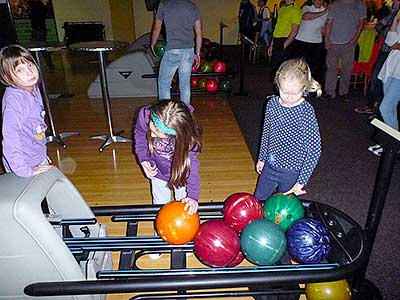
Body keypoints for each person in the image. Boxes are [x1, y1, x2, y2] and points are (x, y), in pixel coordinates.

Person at [254, 59, 322, 201]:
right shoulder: (272, 103)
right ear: (277, 84)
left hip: (292, 172)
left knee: (284, 208)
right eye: (284, 92)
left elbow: (314, 149)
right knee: (258, 200)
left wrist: (301, 181)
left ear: (304, 88)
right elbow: (266, 132)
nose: (288, 98)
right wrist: (261, 158)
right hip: (270, 165)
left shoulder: (306, 112)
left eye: (294, 93)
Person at [134, 100, 202, 215]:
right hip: (157, 170)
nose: (151, 135)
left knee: (183, 207)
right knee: (160, 208)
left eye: (157, 134)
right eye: (152, 129)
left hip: (180, 173)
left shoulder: (189, 140)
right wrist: (143, 159)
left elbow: (192, 170)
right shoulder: (146, 115)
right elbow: (140, 135)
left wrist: (193, 197)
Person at [0, 45, 52, 177]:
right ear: (7, 76)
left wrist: (41, 155)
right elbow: (10, 136)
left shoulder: (32, 87)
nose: (29, 72)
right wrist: (24, 170)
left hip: (36, 153)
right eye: (20, 70)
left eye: (30, 65)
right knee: (34, 196)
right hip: (23, 163)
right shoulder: (16, 99)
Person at [150, 0, 202, 106]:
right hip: (188, 51)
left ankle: (165, 113)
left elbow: (157, 28)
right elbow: (199, 33)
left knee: (164, 83)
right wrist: (197, 53)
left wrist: (152, 44)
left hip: (172, 51)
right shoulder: (192, 6)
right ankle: (185, 113)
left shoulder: (164, 5)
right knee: (185, 84)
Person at [355, 0, 400, 114]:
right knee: (376, 78)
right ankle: (374, 107)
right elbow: (379, 27)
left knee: (383, 82)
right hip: (386, 51)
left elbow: (384, 30)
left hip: (391, 54)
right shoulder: (392, 13)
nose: (394, 2)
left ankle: (379, 108)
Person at [322, 0, 366, 102]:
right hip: (333, 41)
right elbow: (329, 23)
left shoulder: (360, 4)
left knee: (347, 69)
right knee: (331, 67)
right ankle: (329, 92)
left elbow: (361, 23)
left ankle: (344, 92)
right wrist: (327, 39)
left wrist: (355, 38)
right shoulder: (335, 4)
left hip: (349, 42)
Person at [290, 0, 329, 82]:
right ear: (313, 0)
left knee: (315, 68)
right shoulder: (307, 8)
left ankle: (313, 89)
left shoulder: (325, 10)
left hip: (316, 42)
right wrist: (325, 12)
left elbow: (325, 26)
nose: (319, 1)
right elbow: (306, 17)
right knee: (299, 66)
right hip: (301, 41)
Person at [377, 10, 400, 130]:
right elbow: (390, 42)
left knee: (385, 108)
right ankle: (391, 142)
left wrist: (396, 45)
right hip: (392, 67)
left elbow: (394, 45)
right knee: (390, 108)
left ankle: (395, 142)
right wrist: (396, 19)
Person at [267, 0, 302, 75]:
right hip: (277, 40)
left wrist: (283, 46)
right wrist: (272, 45)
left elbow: (294, 32)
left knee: (284, 72)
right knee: (275, 70)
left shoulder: (296, 10)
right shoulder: (282, 8)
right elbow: (277, 28)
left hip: (286, 41)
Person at [29, 0, 54, 70]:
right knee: (41, 48)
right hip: (40, 29)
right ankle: (49, 65)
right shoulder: (41, 6)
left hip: (38, 29)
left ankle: (38, 65)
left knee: (37, 47)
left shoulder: (37, 5)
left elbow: (34, 17)